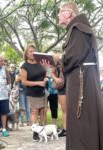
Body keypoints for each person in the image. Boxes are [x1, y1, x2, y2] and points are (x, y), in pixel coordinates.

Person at [57, 2, 103, 150]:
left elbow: (72, 57)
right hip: (84, 79)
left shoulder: (78, 29)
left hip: (82, 81)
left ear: (69, 13)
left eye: (60, 12)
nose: (58, 15)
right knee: (85, 121)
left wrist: (58, 58)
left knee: (82, 121)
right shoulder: (79, 29)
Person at [20, 45, 48, 142]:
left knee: (44, 110)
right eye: (30, 51)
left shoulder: (41, 62)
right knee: (35, 111)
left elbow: (46, 72)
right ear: (26, 54)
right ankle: (35, 133)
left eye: (33, 51)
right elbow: (24, 82)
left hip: (43, 91)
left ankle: (45, 130)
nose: (32, 53)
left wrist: (46, 78)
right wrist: (38, 83)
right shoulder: (24, 66)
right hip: (32, 92)